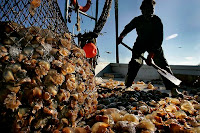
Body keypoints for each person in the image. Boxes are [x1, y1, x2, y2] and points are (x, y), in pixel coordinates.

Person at [117, 0, 182, 97]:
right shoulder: (137, 20)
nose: (150, 12)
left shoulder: (157, 20)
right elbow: (128, 28)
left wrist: (151, 55)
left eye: (152, 10)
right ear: (142, 10)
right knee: (135, 62)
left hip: (155, 45)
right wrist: (121, 36)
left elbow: (159, 39)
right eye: (147, 10)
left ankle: (173, 88)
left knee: (162, 64)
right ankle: (128, 85)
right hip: (140, 44)